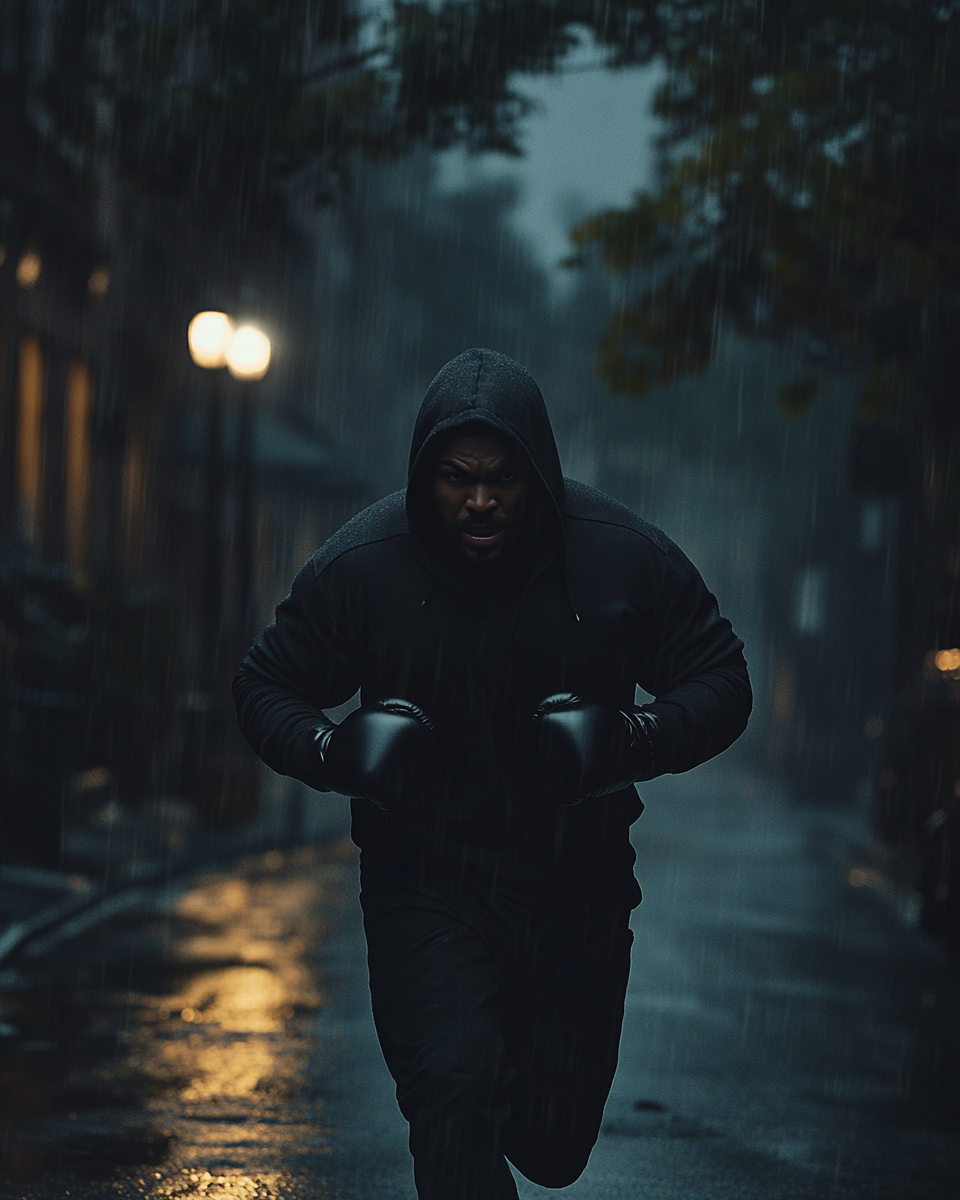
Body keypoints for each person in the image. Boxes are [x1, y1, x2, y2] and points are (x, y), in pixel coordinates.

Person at [233, 347, 751, 1199]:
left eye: (502, 477)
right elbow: (264, 684)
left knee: (553, 1149)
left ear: (537, 473)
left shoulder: (618, 558)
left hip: (574, 889)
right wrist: (328, 752)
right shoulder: (366, 564)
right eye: (455, 477)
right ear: (424, 476)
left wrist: (631, 737)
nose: (479, 499)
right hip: (426, 883)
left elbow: (723, 679)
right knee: (455, 1088)